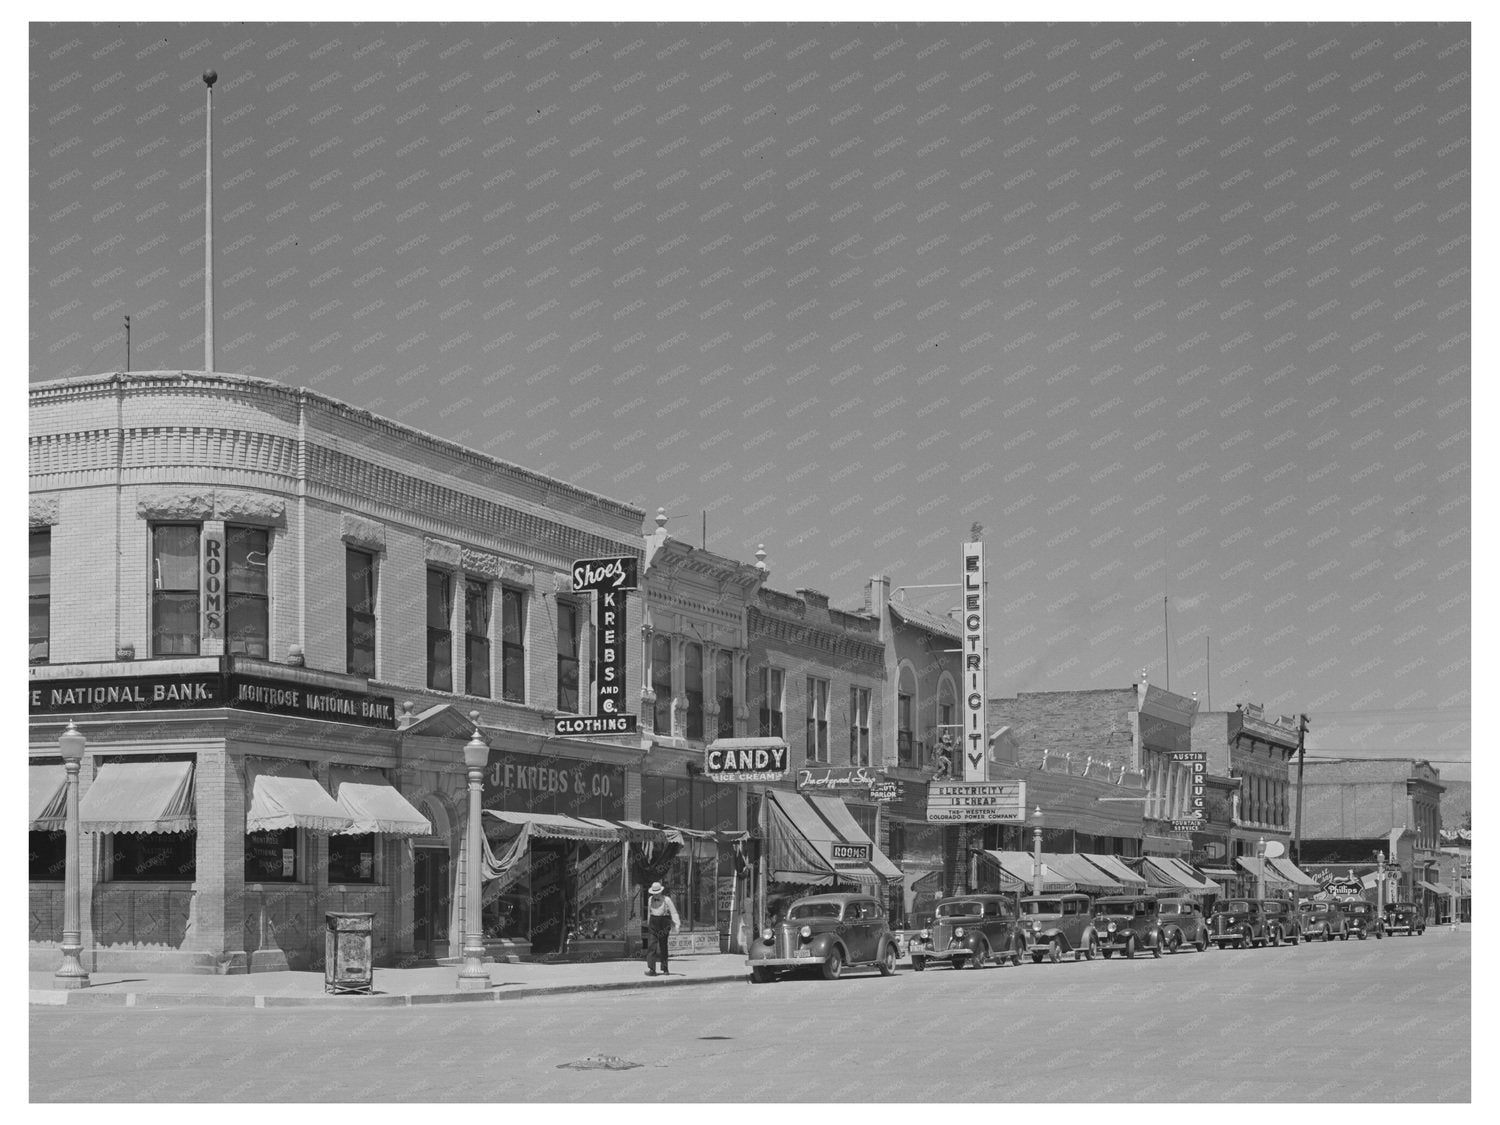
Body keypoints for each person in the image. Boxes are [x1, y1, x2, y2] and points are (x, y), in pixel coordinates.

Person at [645, 881, 680, 976]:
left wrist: (677, 924)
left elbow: (673, 912)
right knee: (651, 946)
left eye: (657, 893)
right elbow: (649, 912)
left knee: (663, 946)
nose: (655, 895)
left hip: (664, 923)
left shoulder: (667, 900)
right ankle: (652, 969)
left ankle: (665, 969)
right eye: (654, 893)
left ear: (660, 892)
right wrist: (649, 923)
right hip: (653, 923)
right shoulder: (650, 899)